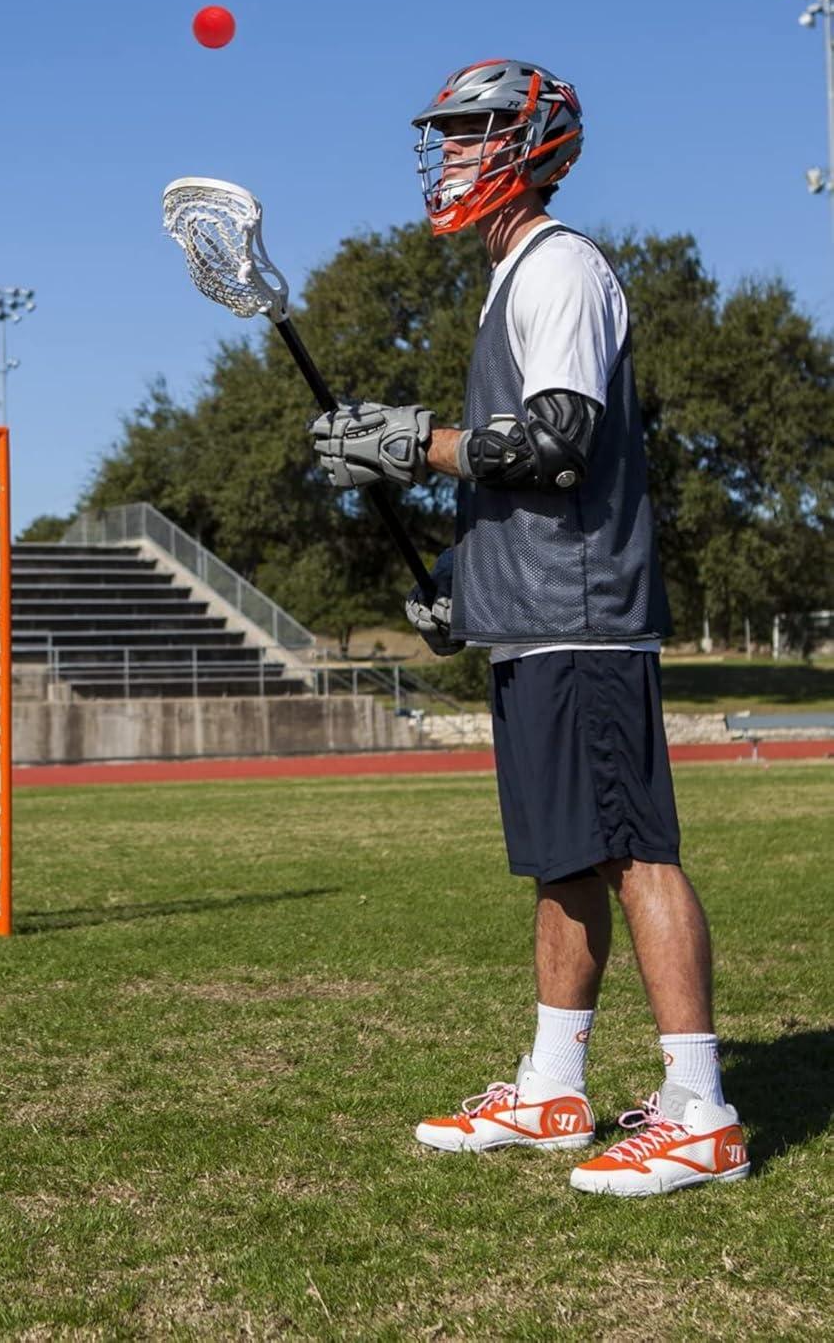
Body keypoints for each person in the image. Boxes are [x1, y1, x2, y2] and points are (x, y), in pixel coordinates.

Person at [309, 59, 749, 1196]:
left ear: (529, 145)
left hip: (585, 615)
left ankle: (700, 1107)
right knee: (566, 863)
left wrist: (414, 445)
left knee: (633, 849)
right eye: (447, 135)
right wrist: (465, 582)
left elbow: (554, 447)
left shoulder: (562, 270)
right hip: (536, 618)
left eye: (471, 133)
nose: (449, 152)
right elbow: (523, 487)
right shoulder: (512, 281)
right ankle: (555, 1090)